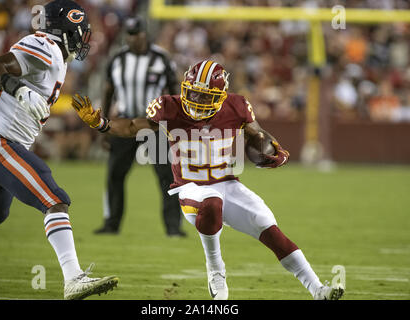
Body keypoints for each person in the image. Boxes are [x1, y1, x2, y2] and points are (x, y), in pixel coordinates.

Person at [71, 60, 345, 300]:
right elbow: (132, 126)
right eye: (193, 93)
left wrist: (273, 151)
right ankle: (216, 270)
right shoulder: (169, 107)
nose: (197, 101)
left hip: (227, 183)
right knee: (211, 203)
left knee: (270, 229)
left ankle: (317, 289)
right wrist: (102, 124)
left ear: (221, 96)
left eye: (205, 96)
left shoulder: (236, 106)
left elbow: (258, 136)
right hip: (189, 187)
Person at [0, 0, 118, 300]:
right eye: (78, 31)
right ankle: (73, 278)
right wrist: (18, 88)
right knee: (54, 199)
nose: (82, 39)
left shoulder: (57, 57)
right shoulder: (45, 46)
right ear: (61, 29)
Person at [95, 16, 185, 237]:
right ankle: (111, 223)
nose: (133, 38)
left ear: (145, 34)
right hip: (125, 123)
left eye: (136, 34)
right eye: (129, 34)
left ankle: (173, 227)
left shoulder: (161, 59)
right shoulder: (117, 59)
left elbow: (174, 91)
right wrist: (104, 126)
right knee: (115, 174)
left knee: (168, 175)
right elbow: (108, 93)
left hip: (154, 124)